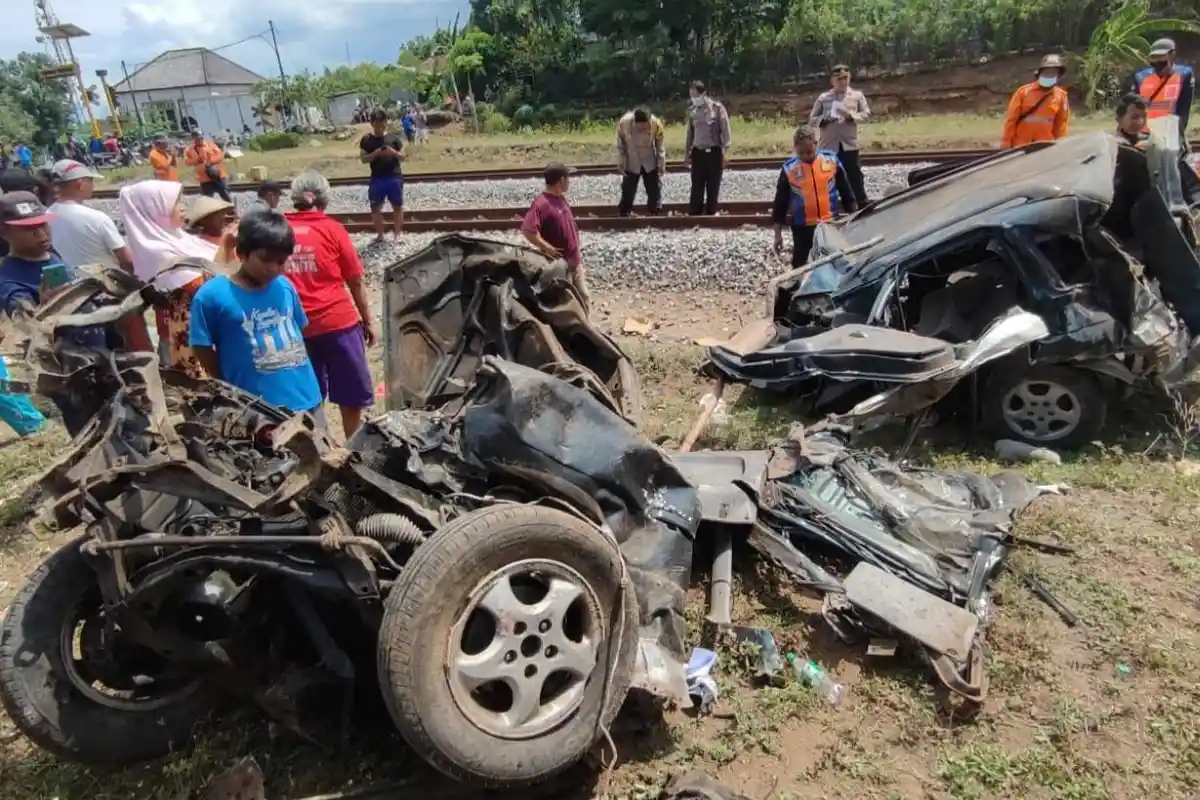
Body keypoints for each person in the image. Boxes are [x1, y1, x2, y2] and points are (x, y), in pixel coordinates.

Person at [190, 210, 324, 419]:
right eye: (266, 260)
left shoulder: (285, 287)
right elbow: (201, 346)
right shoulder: (212, 296)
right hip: (257, 411)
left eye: (281, 262)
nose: (273, 268)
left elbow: (300, 331)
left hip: (308, 402)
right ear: (242, 253)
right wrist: (226, 384)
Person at [0, 191, 105, 434]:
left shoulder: (50, 253)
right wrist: (45, 309)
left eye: (42, 224)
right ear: (5, 232)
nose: (41, 233)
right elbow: (24, 319)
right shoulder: (9, 281)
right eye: (29, 229)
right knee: (91, 433)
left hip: (99, 356)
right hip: (70, 372)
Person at [283, 171, 377, 436]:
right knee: (351, 396)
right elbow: (355, 280)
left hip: (295, 328)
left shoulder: (278, 228)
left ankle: (318, 448)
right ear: (325, 199)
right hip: (338, 323)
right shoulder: (333, 229)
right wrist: (368, 321)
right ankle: (353, 453)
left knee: (307, 398)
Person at [120, 181, 230, 375]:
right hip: (194, 332)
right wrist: (227, 248)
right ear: (155, 208)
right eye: (175, 202)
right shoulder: (158, 249)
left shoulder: (178, 237)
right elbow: (202, 285)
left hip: (211, 322)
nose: (182, 207)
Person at [771, 126, 858, 267]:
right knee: (801, 265)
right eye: (801, 153)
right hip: (802, 227)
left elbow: (847, 193)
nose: (805, 156)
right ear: (795, 148)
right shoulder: (789, 170)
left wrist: (854, 218)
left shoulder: (831, 161)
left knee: (833, 262)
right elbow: (780, 204)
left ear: (816, 144)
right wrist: (777, 234)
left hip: (830, 224)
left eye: (809, 152)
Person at [47, 160, 135, 274]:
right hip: (104, 284)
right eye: (91, 180)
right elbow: (127, 260)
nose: (93, 185)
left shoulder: (47, 214)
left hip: (71, 284)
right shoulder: (97, 218)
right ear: (80, 184)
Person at [521, 163, 589, 310]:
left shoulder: (561, 199)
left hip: (575, 261)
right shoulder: (541, 204)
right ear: (560, 181)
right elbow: (528, 230)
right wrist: (547, 248)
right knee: (567, 302)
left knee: (584, 297)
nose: (569, 182)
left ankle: (588, 328)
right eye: (567, 178)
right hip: (560, 265)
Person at [808, 65, 871, 208]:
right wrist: (824, 119)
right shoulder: (824, 98)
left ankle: (861, 205)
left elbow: (866, 115)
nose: (842, 82)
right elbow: (811, 119)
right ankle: (827, 208)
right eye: (839, 79)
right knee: (827, 177)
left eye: (845, 78)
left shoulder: (857, 96)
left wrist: (851, 117)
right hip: (828, 146)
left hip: (849, 144)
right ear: (832, 81)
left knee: (854, 175)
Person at [1130, 38, 1194, 143]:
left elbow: (1183, 110)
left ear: (1172, 55)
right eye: (1154, 58)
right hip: (1145, 135)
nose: (1158, 62)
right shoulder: (1141, 77)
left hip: (1170, 134)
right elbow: (1133, 107)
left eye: (1161, 58)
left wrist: (1177, 135)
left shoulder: (1184, 75)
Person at [1001, 55, 1070, 149]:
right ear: (1039, 73)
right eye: (1047, 72)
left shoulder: (1061, 96)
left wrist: (1062, 147)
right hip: (1021, 146)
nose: (1050, 75)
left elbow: (1061, 125)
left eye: (1053, 73)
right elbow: (1011, 120)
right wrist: (1005, 144)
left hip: (1045, 147)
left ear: (1058, 76)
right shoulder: (1023, 92)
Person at [684, 81, 731, 216]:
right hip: (698, 152)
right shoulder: (693, 111)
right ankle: (695, 212)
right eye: (691, 95)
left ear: (703, 94)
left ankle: (711, 212)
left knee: (713, 184)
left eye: (695, 94)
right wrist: (687, 153)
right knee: (696, 184)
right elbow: (690, 134)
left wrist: (725, 152)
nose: (693, 97)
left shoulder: (717, 108)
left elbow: (725, 130)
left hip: (714, 152)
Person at [360, 109, 405, 243]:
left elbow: (403, 156)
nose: (380, 126)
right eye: (377, 123)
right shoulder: (366, 140)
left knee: (397, 206)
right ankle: (380, 235)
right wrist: (376, 154)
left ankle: (397, 235)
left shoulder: (393, 138)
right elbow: (363, 159)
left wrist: (393, 153)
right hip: (377, 178)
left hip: (394, 177)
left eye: (383, 123)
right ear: (372, 123)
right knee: (375, 208)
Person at [616, 106, 666, 217]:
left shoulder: (656, 124)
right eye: (641, 126)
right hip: (632, 158)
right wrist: (621, 160)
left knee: (654, 186)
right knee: (628, 187)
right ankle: (624, 211)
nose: (644, 128)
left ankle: (655, 210)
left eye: (645, 126)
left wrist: (661, 163)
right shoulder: (625, 123)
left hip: (649, 158)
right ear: (635, 122)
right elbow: (620, 144)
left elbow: (660, 146)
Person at [184, 129, 231, 202]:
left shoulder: (211, 145)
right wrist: (196, 160)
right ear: (193, 138)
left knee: (225, 195)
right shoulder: (189, 150)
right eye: (197, 138)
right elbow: (187, 162)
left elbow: (220, 156)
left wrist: (210, 162)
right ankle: (212, 213)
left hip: (217, 175)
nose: (200, 139)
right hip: (204, 178)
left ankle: (232, 212)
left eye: (201, 137)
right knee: (207, 199)